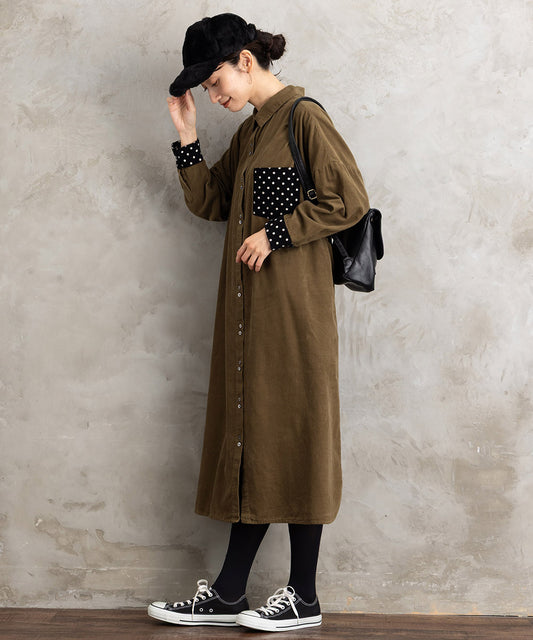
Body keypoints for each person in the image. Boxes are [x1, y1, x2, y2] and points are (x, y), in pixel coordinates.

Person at [148, 12, 370, 633]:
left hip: (294, 317)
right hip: (249, 317)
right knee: (255, 437)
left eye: (214, 81)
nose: (213, 94)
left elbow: (349, 198)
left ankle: (304, 595)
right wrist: (187, 137)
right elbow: (211, 201)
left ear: (245, 60)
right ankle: (229, 592)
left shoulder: (303, 118)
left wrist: (277, 233)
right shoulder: (251, 133)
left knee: (297, 435)